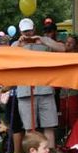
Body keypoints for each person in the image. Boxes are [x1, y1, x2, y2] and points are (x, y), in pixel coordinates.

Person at [13, 18, 61, 146]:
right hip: (24, 92)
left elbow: (63, 49)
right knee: (29, 129)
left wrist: (44, 41)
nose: (28, 34)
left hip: (45, 89)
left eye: (29, 30)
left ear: (34, 28)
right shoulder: (15, 45)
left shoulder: (44, 41)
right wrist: (18, 46)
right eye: (25, 31)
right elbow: (7, 62)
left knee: (49, 126)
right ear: (20, 31)